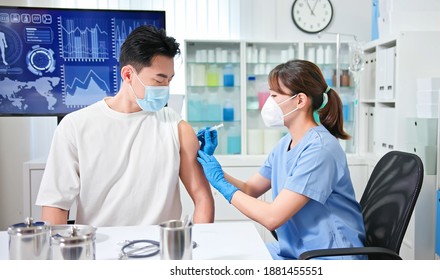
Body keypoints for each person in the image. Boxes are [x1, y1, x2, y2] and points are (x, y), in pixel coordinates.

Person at [36, 25, 214, 227]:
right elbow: (55, 205)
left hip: (163, 250)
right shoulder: (75, 126)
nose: (166, 89)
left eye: (169, 80)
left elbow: (203, 198)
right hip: (99, 250)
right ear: (128, 75)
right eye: (159, 80)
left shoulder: (176, 127)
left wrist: (200, 247)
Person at [197, 59, 366, 260]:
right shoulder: (286, 143)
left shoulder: (320, 149)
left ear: (300, 100)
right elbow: (250, 189)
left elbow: (272, 217)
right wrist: (211, 165)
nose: (268, 102)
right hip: (298, 251)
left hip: (330, 257)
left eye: (275, 95)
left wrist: (220, 183)